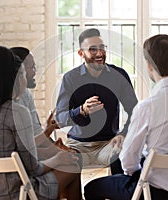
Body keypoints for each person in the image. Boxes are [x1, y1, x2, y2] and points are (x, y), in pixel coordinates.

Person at [84, 34, 168, 200]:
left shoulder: (147, 107)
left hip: (152, 192)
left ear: (149, 65)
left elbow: (128, 162)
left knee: (92, 187)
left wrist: (137, 172)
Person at [0, 45, 82, 200]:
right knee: (72, 167)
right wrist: (59, 158)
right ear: (11, 80)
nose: (23, 80)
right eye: (21, 74)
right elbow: (34, 168)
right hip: (17, 194)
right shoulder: (17, 112)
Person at [55, 28, 138, 174]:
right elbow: (60, 118)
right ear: (81, 53)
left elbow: (135, 112)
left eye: (102, 48)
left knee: (124, 154)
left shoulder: (118, 75)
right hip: (78, 145)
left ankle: (117, 193)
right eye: (93, 50)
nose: (99, 54)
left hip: (109, 144)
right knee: (65, 161)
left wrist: (123, 134)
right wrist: (81, 110)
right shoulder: (70, 78)